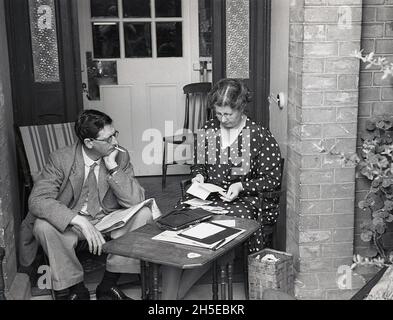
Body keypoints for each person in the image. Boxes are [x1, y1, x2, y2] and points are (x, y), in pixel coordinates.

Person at [160, 78, 282, 299]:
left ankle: (170, 298)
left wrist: (242, 185)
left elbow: (272, 180)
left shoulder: (259, 136)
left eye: (228, 114)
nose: (222, 119)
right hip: (209, 197)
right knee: (179, 221)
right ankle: (169, 296)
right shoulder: (208, 129)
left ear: (241, 107)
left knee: (216, 233)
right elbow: (199, 164)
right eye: (218, 114)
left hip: (244, 201)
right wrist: (198, 176)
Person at [27, 109, 153, 300]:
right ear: (89, 142)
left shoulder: (121, 155)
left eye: (115, 135)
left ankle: (108, 285)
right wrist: (78, 220)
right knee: (43, 226)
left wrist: (113, 168)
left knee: (143, 214)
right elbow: (37, 200)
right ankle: (77, 290)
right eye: (108, 139)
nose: (115, 142)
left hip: (108, 217)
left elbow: (135, 200)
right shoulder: (61, 159)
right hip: (73, 219)